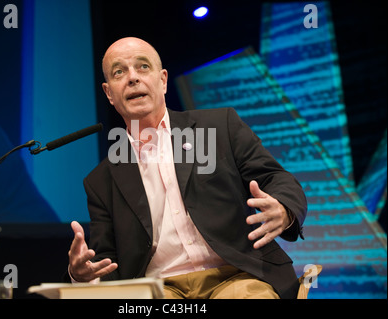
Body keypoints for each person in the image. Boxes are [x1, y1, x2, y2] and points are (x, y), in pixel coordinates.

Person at [67, 37, 307, 299]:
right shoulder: (101, 181)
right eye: (119, 72)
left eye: (143, 67)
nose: (132, 78)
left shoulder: (218, 127)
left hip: (237, 276)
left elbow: (275, 177)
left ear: (163, 80)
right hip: (160, 289)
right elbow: (106, 263)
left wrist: (283, 209)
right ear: (109, 93)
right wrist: (82, 275)